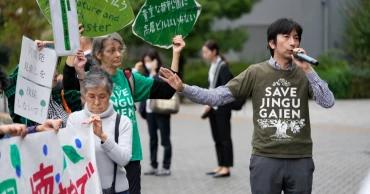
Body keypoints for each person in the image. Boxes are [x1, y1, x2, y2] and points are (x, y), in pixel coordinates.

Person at [159, 18, 335, 193]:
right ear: (272, 43)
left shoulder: (304, 73)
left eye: (296, 38)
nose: (293, 42)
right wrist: (183, 88)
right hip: (265, 157)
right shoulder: (256, 72)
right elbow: (217, 96)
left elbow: (327, 101)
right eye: (287, 36)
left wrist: (308, 69)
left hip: (300, 158)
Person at [63, 33, 185, 194]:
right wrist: (72, 56)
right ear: (98, 54)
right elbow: (69, 91)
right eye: (111, 50)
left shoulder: (129, 79)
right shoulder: (91, 79)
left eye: (120, 49)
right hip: (99, 155)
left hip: (130, 155)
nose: (118, 54)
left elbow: (167, 89)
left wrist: (176, 53)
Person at [67, 67, 132, 194]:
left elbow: (124, 159)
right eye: (91, 96)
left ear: (110, 94)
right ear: (84, 94)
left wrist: (103, 136)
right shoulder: (75, 119)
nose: (97, 102)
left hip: (116, 190)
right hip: (84, 188)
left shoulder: (122, 122)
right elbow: (70, 157)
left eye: (102, 96)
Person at [4, 47, 82, 127]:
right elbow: (10, 83)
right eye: (51, 69)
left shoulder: (60, 97)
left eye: (56, 68)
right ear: (36, 71)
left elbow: (87, 98)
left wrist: (81, 71)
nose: (56, 73)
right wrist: (35, 53)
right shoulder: (25, 104)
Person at [136, 49, 173, 176]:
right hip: (149, 112)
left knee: (165, 139)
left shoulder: (163, 72)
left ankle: (166, 166)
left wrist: (154, 72)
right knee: (153, 139)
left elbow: (164, 88)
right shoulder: (145, 74)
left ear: (155, 60)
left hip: (161, 111)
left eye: (149, 61)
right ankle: (153, 165)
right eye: (145, 61)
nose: (147, 64)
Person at [200, 40, 234, 178]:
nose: (204, 55)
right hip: (213, 108)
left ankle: (226, 167)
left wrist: (211, 102)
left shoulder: (222, 66)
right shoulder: (213, 66)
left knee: (225, 137)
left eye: (206, 52)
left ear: (214, 51)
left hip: (222, 108)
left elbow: (225, 88)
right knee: (217, 138)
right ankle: (220, 165)